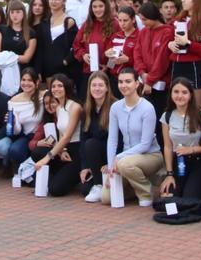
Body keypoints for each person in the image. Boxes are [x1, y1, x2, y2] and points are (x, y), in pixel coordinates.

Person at [105, 67, 163, 207]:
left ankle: (145, 193)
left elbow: (145, 144)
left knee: (125, 164)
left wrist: (118, 158)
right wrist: (110, 166)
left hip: (150, 155)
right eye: (120, 82)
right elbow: (112, 139)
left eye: (128, 81)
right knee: (106, 198)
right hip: (126, 159)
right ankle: (133, 189)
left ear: (137, 83)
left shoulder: (147, 108)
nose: (123, 85)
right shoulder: (116, 107)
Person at [158, 77, 201, 201]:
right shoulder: (167, 116)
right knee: (168, 197)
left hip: (199, 162)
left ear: (191, 95)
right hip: (179, 163)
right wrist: (169, 174)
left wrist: (191, 150)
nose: (180, 96)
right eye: (176, 92)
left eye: (184, 92)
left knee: (189, 199)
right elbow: (168, 146)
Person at [30, 74, 85, 196]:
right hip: (66, 149)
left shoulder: (75, 107)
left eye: (60, 86)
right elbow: (61, 132)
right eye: (53, 86)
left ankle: (70, 176)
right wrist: (62, 150)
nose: (56, 89)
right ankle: (57, 176)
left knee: (55, 190)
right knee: (37, 151)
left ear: (67, 87)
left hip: (77, 151)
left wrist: (47, 158)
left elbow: (68, 136)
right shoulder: (59, 106)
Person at [169, 0, 201, 110]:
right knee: (177, 106)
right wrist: (170, 44)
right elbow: (168, 40)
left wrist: (188, 43)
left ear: (196, 0)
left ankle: (199, 129)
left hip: (195, 67)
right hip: (177, 65)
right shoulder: (178, 20)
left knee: (197, 108)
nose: (182, 0)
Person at [79, 70, 114, 202]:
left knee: (91, 143)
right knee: (84, 190)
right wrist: (84, 166)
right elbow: (83, 139)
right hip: (94, 156)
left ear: (107, 88)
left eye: (100, 85)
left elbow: (119, 139)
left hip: (111, 155)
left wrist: (111, 162)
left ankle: (99, 185)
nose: (97, 88)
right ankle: (96, 181)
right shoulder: (87, 109)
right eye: (94, 85)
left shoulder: (114, 106)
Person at [73, 0, 115, 98]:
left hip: (107, 73)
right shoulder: (87, 24)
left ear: (106, 7)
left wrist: (108, 66)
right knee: (86, 103)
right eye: (94, 7)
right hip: (89, 72)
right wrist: (83, 55)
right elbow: (77, 45)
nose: (97, 9)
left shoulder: (115, 24)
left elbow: (117, 49)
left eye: (100, 6)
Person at [135, 3, 173, 116]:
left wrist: (150, 80)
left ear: (153, 17)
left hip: (161, 85)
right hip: (144, 80)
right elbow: (137, 54)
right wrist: (142, 72)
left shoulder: (167, 31)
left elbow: (162, 59)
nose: (142, 23)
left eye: (145, 19)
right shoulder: (143, 32)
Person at [0, 0, 35, 98]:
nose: (14, 15)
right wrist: (15, 57)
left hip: (22, 73)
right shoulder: (1, 30)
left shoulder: (31, 33)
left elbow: (27, 58)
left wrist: (8, 56)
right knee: (2, 100)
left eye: (18, 12)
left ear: (23, 13)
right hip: (3, 71)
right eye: (12, 12)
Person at [34, 0, 78, 81]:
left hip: (65, 71)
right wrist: (38, 70)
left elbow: (77, 46)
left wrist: (65, 61)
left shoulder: (69, 22)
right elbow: (40, 49)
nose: (54, 1)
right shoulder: (44, 23)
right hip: (47, 71)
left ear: (64, 1)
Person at [6, 69, 44, 172]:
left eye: (30, 80)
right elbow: (16, 131)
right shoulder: (13, 101)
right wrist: (13, 122)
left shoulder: (44, 96)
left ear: (36, 82)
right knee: (14, 150)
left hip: (43, 135)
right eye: (23, 80)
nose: (26, 83)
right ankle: (26, 171)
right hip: (26, 136)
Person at [106, 6, 138, 90]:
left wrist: (128, 60)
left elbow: (143, 59)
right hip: (114, 78)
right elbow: (110, 60)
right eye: (120, 20)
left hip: (130, 79)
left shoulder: (140, 36)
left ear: (133, 20)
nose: (122, 24)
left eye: (125, 20)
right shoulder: (115, 35)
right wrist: (107, 54)